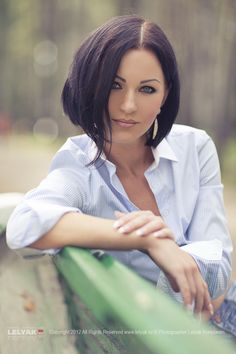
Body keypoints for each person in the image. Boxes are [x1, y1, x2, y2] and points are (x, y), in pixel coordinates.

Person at [6, 15, 233, 321]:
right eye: (114, 85)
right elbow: (25, 224)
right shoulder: (80, 163)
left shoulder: (196, 148)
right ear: (90, 85)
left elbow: (218, 268)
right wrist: (144, 238)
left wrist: (186, 269)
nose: (128, 105)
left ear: (166, 95)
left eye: (147, 89)